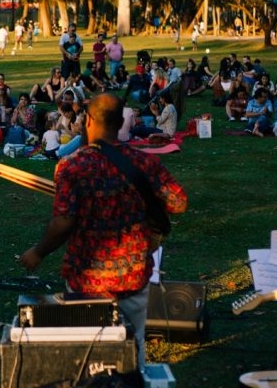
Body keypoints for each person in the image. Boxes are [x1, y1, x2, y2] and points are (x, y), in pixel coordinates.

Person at [18, 93, 188, 372]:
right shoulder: (144, 162)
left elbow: (63, 221)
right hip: (133, 274)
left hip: (87, 278)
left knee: (89, 353)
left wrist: (38, 252)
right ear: (121, 122)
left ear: (88, 121)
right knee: (133, 346)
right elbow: (178, 202)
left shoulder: (72, 166)